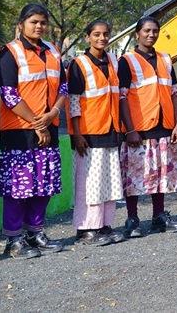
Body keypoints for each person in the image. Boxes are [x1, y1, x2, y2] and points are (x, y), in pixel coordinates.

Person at [0, 4, 67, 259]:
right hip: (19, 130)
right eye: (33, 22)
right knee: (18, 187)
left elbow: (63, 88)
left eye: (43, 23)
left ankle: (34, 232)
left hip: (50, 125)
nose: (39, 26)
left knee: (44, 183)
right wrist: (39, 124)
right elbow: (8, 94)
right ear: (21, 23)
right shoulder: (9, 53)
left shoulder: (53, 51)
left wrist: (52, 116)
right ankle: (13, 239)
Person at [118, 16, 177, 238]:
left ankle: (159, 216)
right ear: (137, 34)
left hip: (164, 126)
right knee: (134, 176)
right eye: (147, 31)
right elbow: (122, 97)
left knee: (162, 175)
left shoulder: (166, 59)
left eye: (155, 31)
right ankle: (132, 218)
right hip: (139, 129)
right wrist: (130, 130)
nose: (151, 34)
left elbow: (174, 93)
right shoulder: (127, 61)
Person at [66, 19, 126, 246]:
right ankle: (86, 229)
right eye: (97, 34)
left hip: (110, 129)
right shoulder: (78, 64)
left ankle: (105, 225)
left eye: (105, 34)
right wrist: (78, 134)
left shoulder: (112, 61)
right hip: (89, 133)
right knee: (88, 183)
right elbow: (73, 102)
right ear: (88, 37)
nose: (102, 38)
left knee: (110, 182)